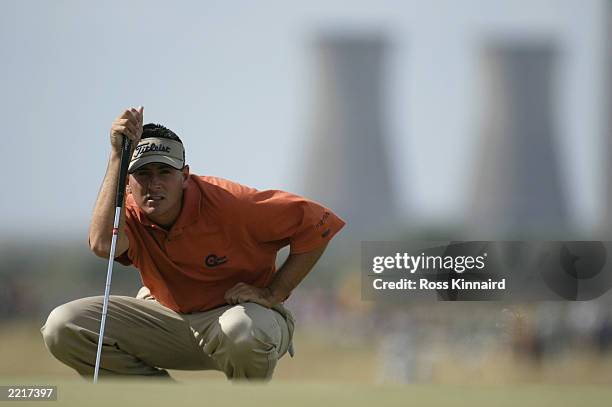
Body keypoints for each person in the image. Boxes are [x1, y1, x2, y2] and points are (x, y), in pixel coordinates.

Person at [40, 106, 345, 380]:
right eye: (143, 174)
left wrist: (274, 291)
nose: (154, 183)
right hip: (166, 319)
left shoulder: (232, 203)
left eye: (165, 172)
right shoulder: (128, 209)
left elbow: (319, 223)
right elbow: (103, 245)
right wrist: (117, 156)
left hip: (238, 319)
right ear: (128, 182)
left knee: (242, 331)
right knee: (62, 326)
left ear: (185, 176)